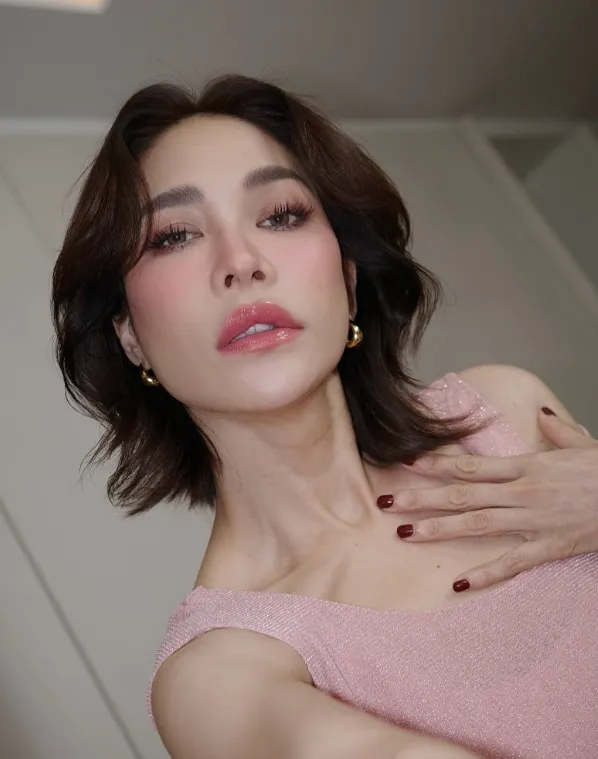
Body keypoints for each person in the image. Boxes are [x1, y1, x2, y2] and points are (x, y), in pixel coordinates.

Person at [51, 75, 598, 759]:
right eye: (175, 235)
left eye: (281, 215)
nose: (241, 262)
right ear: (130, 335)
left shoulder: (503, 416)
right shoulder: (216, 673)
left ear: (347, 277)